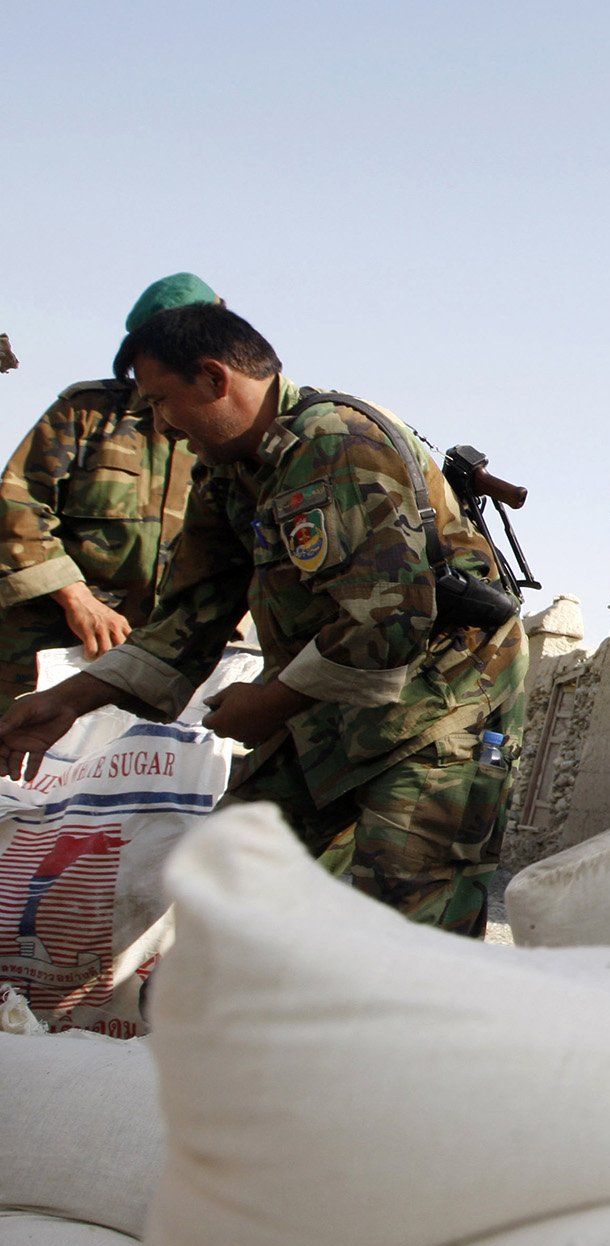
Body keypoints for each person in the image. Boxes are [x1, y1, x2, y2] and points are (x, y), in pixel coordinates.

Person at [0, 304, 526, 934]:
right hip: (325, 707)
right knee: (227, 881)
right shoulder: (230, 475)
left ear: (215, 378)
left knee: (409, 921)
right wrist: (69, 700)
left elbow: (387, 624)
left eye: (164, 401)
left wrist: (267, 705)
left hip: (440, 707)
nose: (161, 425)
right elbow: (188, 619)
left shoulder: (337, 443)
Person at [0, 274, 217, 714]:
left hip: (171, 660)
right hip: (55, 648)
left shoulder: (230, 431)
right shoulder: (86, 412)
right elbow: (16, 505)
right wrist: (77, 599)